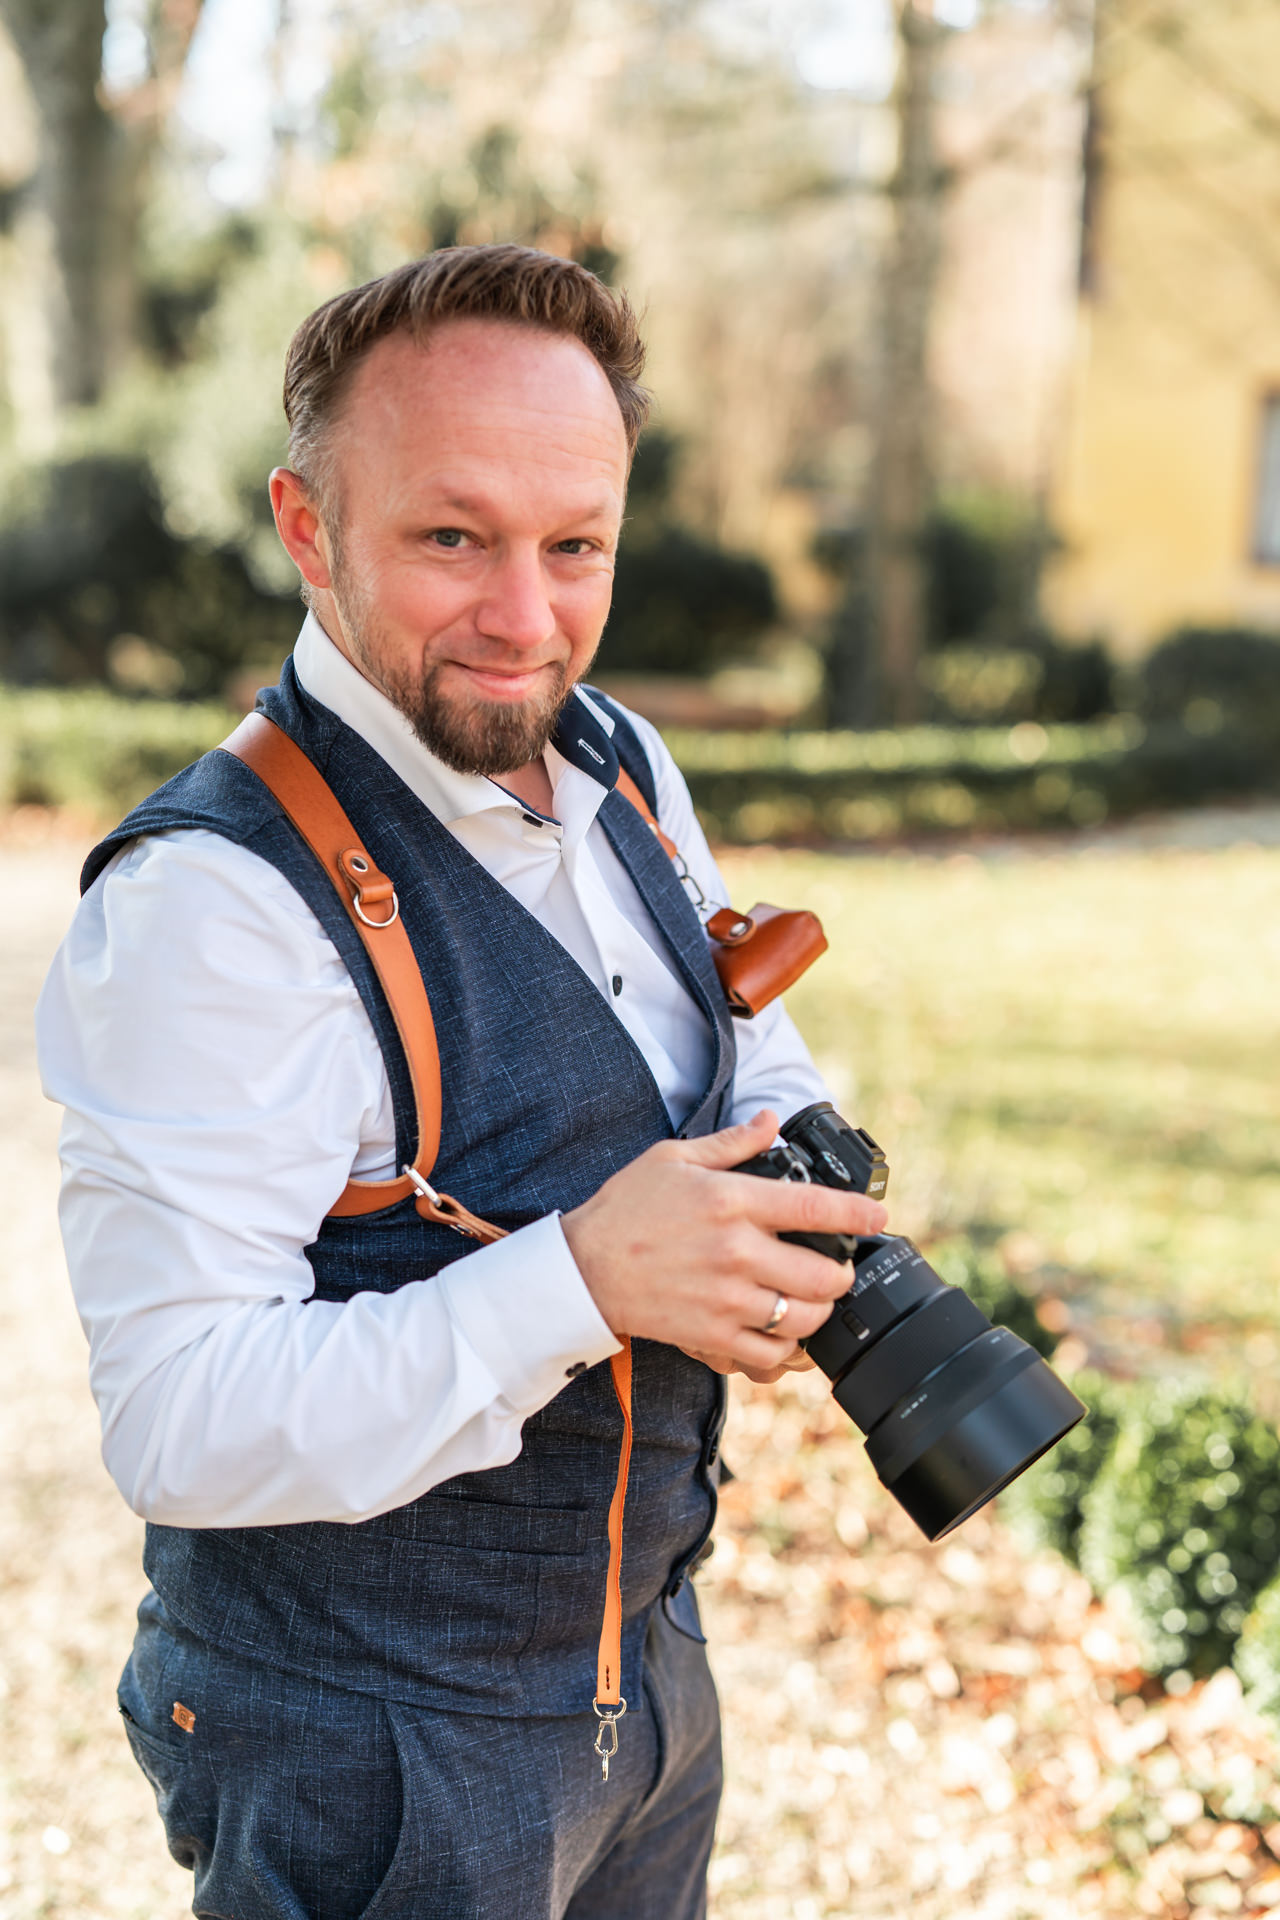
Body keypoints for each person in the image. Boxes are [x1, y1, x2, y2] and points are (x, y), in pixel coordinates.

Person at [36, 244, 887, 1920]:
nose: (527, 616)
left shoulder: (620, 758)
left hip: (640, 1678)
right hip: (375, 1754)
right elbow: (178, 1424)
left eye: (577, 546)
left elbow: (738, 1038)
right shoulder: (214, 906)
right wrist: (581, 1279)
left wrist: (797, 1173)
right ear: (307, 528)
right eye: (452, 536)